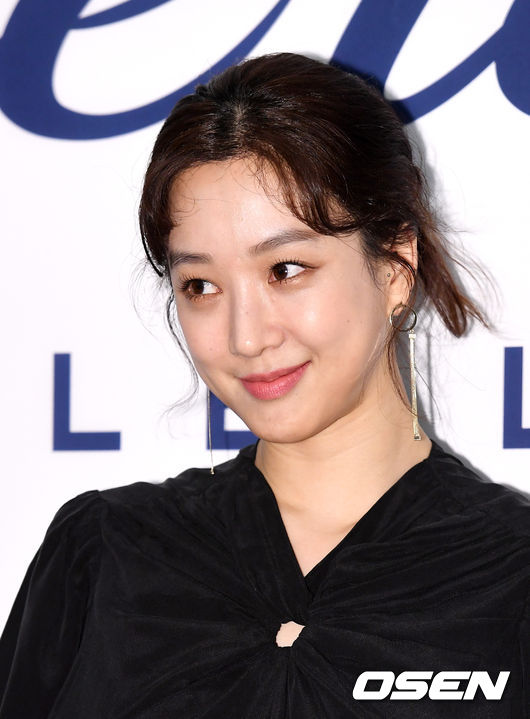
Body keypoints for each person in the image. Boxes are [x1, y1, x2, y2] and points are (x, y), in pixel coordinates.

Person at [0, 52, 528, 718]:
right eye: (201, 285)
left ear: (395, 264)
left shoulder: (511, 575)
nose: (246, 335)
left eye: (285, 269)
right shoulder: (103, 555)